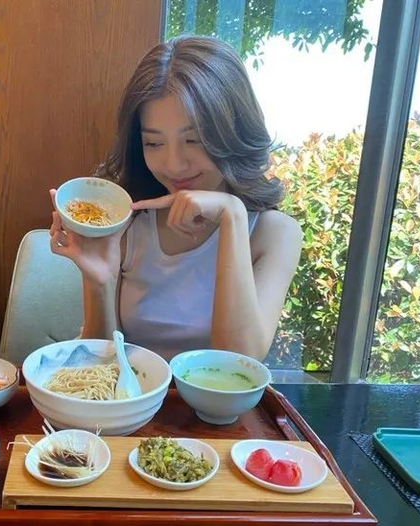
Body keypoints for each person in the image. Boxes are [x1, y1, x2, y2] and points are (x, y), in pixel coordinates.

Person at [48, 36, 302, 362]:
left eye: (194, 140)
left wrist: (233, 216)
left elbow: (240, 363)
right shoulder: (126, 221)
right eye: (154, 144)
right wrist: (100, 282)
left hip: (213, 400)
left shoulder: (275, 234)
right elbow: (101, 363)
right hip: (133, 394)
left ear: (233, 132)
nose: (174, 165)